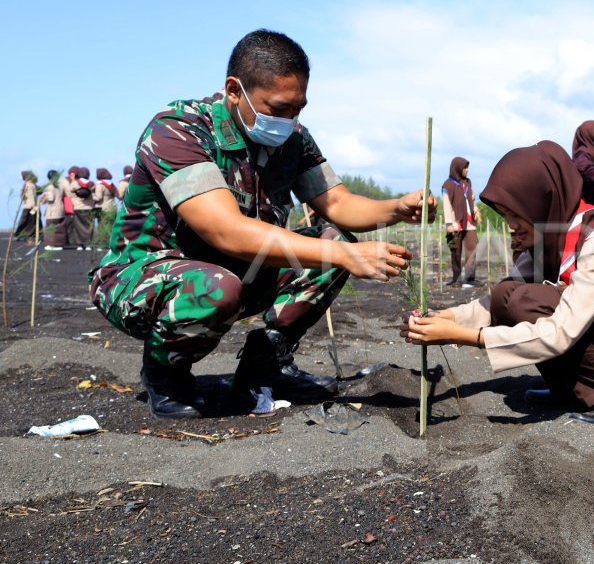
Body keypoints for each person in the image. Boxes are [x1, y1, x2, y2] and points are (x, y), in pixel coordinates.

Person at [89, 29, 432, 420]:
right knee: (232, 281)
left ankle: (265, 366)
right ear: (235, 90)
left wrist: (397, 207)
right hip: (145, 279)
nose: (289, 119)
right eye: (278, 108)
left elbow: (336, 202)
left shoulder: (293, 140)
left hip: (238, 271)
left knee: (333, 238)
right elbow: (226, 231)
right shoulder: (179, 129)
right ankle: (166, 375)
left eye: (298, 108)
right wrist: (342, 255)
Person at [405, 141, 594, 425]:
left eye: (516, 214)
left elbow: (563, 331)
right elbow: (494, 303)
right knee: (508, 294)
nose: (510, 225)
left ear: (541, 202)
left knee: (529, 301)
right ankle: (570, 387)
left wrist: (464, 336)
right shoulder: (548, 240)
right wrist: (441, 318)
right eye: (506, 215)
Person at [442, 157, 479, 288]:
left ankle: (469, 278)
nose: (467, 170)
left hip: (469, 223)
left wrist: (476, 210)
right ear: (458, 168)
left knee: (472, 248)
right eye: (465, 168)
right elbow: (447, 206)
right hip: (455, 223)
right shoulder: (448, 185)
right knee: (456, 251)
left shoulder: (468, 183)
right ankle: (456, 278)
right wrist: (449, 224)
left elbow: (472, 200)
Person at [41, 171, 67, 250]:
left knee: (50, 227)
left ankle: (50, 244)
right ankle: (59, 244)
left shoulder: (50, 187)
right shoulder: (61, 186)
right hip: (61, 209)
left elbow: (51, 198)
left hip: (53, 210)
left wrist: (44, 196)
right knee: (60, 228)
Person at [14, 171, 39, 241]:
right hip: (29, 206)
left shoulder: (32, 185)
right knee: (25, 221)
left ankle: (29, 235)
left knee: (30, 221)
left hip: (32, 206)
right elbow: (23, 195)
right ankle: (20, 234)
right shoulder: (28, 185)